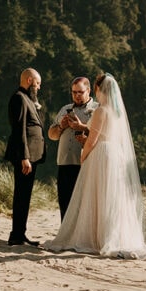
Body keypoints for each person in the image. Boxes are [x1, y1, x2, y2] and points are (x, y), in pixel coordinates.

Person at [44, 73, 146, 265]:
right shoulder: (117, 111)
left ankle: (98, 237)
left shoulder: (100, 110)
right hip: (114, 155)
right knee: (112, 197)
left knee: (98, 196)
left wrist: (84, 155)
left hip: (101, 155)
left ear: (96, 89)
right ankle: (112, 235)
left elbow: (92, 141)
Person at [4, 68, 45, 246]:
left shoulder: (27, 98)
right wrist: (24, 157)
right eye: (37, 83)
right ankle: (17, 235)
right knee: (21, 195)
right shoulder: (19, 98)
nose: (39, 87)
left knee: (25, 195)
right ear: (29, 80)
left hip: (30, 156)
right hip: (25, 157)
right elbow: (19, 130)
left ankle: (20, 233)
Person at [47, 76, 98, 220]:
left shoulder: (97, 109)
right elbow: (52, 135)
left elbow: (103, 136)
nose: (76, 95)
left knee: (84, 205)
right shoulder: (65, 109)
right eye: (74, 92)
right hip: (64, 162)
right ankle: (65, 235)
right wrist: (61, 126)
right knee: (65, 202)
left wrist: (82, 127)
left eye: (80, 92)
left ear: (88, 90)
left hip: (86, 164)